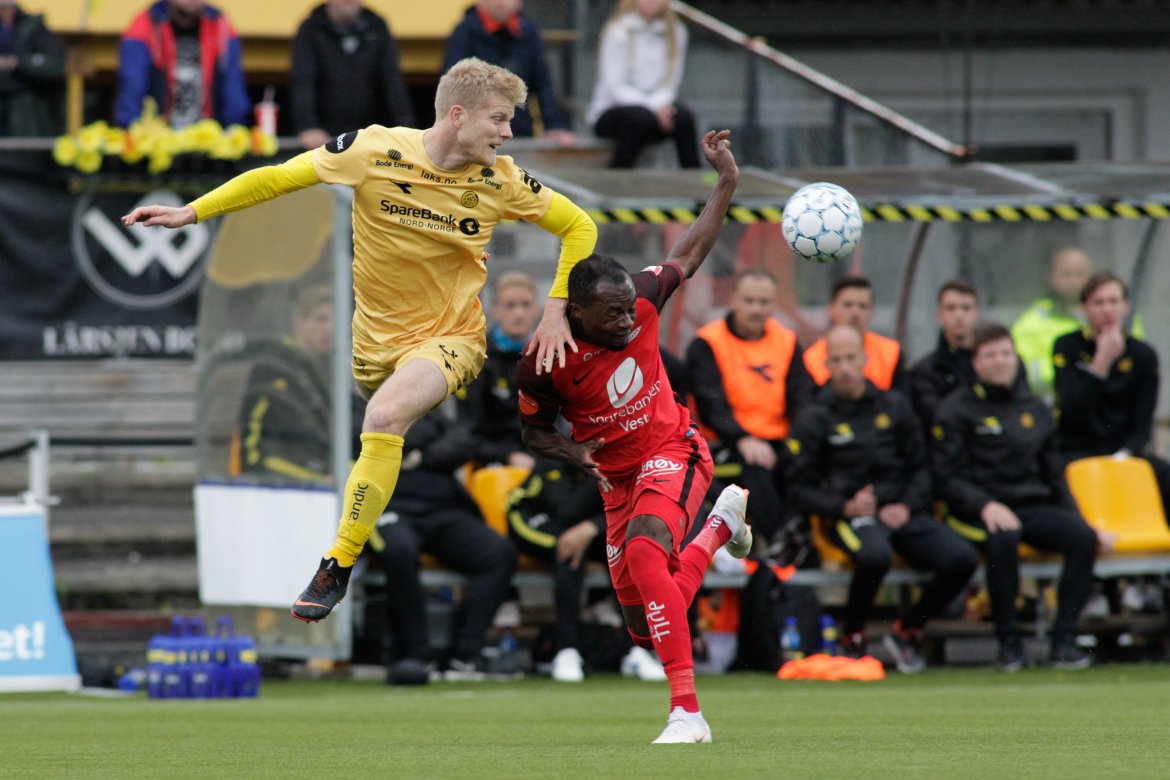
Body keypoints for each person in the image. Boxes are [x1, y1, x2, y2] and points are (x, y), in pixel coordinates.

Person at [122, 58, 598, 624]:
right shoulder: (374, 150)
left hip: (451, 339)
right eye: (499, 118)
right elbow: (277, 177)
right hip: (374, 348)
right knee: (381, 417)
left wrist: (555, 312)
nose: (508, 132)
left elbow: (581, 227)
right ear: (458, 115)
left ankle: (337, 563)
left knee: (384, 415)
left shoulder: (502, 180)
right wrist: (192, 211)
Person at [517, 130, 750, 744]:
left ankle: (687, 714)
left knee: (648, 554)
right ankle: (720, 527)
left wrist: (726, 182)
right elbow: (533, 429)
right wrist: (572, 451)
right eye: (613, 314)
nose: (629, 320)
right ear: (577, 313)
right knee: (645, 624)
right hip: (614, 480)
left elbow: (688, 254)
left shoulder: (641, 298)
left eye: (629, 309)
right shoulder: (544, 360)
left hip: (674, 450)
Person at [785, 324, 977, 672]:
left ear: (864, 359)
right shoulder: (815, 417)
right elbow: (798, 487)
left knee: (961, 557)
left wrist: (906, 505)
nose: (845, 368)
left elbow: (922, 467)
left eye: (851, 358)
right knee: (875, 556)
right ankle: (853, 635)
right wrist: (844, 506)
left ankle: (908, 629)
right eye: (837, 360)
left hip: (899, 510)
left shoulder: (894, 405)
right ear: (826, 365)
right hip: (849, 516)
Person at [931, 323, 1099, 671]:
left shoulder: (1034, 407)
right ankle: (1009, 643)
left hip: (1029, 504)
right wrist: (984, 505)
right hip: (975, 510)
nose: (1000, 361)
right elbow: (945, 476)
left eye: (1005, 353)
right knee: (1004, 536)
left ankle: (1063, 640)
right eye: (990, 355)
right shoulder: (955, 409)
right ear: (976, 363)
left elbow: (1053, 475)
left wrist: (1078, 518)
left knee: (1083, 538)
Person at [368, 400, 517, 685]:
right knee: (398, 551)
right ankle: (416, 655)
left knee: (499, 553)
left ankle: (464, 656)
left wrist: (416, 454)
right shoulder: (361, 403)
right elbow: (370, 438)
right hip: (388, 505)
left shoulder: (425, 402)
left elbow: (464, 440)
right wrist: (425, 441)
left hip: (443, 507)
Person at [687, 268, 813, 541]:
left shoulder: (787, 341)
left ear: (774, 304)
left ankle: (804, 540)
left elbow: (803, 400)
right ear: (733, 299)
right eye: (749, 301)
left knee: (809, 464)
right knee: (756, 467)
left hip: (778, 441)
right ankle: (776, 541)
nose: (756, 309)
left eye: (764, 302)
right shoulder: (707, 343)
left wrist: (797, 441)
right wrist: (742, 438)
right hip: (726, 444)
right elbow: (711, 404)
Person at [1053, 271, 1170, 520]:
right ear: (1085, 308)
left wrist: (1124, 456)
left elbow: (1143, 421)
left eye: (1114, 301)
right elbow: (1071, 411)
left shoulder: (1143, 354)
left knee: (1163, 474)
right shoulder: (1067, 346)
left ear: (1126, 306)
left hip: (1123, 450)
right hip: (1076, 448)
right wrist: (1101, 363)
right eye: (1098, 303)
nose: (1107, 310)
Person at [504, 456, 609, 682]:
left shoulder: (620, 456)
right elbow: (567, 510)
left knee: (626, 547)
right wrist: (598, 475)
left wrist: (593, 527)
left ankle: (635, 649)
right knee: (569, 549)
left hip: (581, 523)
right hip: (531, 517)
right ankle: (567, 649)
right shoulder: (556, 455)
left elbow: (630, 506)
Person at [237, 285, 335, 484]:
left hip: (320, 473)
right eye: (321, 319)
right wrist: (317, 479)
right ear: (299, 321)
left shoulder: (326, 367)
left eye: (335, 320)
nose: (329, 328)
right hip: (276, 482)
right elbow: (255, 451)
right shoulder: (275, 365)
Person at [443, 0, 577, 146]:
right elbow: (453, 86)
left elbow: (543, 83)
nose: (501, 2)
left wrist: (554, 126)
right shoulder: (464, 32)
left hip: (519, 134)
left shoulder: (528, 31)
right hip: (477, 136)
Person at [585, 0, 699, 169]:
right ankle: (617, 177)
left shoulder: (677, 31)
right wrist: (654, 107)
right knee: (640, 119)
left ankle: (696, 181)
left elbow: (670, 84)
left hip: (657, 110)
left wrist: (658, 107)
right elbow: (614, 88)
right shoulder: (617, 30)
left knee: (683, 118)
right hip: (612, 109)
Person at [290, 0, 416, 150]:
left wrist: (406, 131)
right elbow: (303, 81)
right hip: (324, 140)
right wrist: (308, 126)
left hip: (369, 138)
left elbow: (392, 82)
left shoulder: (376, 26)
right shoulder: (311, 28)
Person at [115, 0, 250, 128]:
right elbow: (132, 87)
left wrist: (235, 130)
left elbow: (233, 88)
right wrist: (130, 130)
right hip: (159, 136)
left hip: (207, 135)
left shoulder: (219, 24)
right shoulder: (146, 24)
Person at [461, 270, 540, 469]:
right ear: (496, 310)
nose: (519, 313)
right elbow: (468, 431)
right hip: (493, 463)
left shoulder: (552, 355)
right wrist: (508, 456)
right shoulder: (477, 358)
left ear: (537, 309)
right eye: (510, 305)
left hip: (543, 458)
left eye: (525, 305)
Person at [803, 276, 909, 394]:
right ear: (831, 309)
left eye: (862, 306)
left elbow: (902, 399)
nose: (855, 312)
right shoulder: (810, 360)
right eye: (848, 305)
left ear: (872, 311)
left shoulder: (891, 353)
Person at [0, 0, 64, 137]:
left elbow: (54, 67)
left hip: (28, 114)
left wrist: (16, 63)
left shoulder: (32, 28)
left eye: (5, 7)